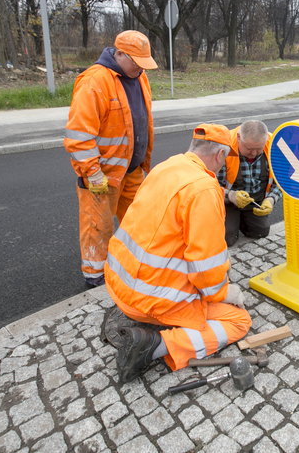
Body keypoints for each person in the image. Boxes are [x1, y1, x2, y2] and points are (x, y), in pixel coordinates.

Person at [103, 124, 252, 383]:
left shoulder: (166, 167)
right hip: (149, 299)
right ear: (219, 155)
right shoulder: (203, 188)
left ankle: (144, 323)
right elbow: (206, 266)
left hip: (120, 285)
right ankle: (152, 345)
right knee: (239, 320)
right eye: (225, 159)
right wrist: (226, 293)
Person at [64, 30, 157, 287]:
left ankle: (131, 268)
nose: (140, 69)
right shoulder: (94, 81)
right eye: (136, 63)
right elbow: (79, 136)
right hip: (102, 176)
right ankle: (96, 280)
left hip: (133, 170)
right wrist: (92, 173)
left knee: (140, 223)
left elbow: (140, 121)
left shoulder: (140, 77)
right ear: (120, 54)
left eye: (143, 64)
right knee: (99, 229)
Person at [217, 120, 282, 247]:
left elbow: (282, 181)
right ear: (239, 137)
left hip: (256, 199)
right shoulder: (223, 148)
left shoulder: (274, 146)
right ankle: (230, 219)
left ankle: (241, 220)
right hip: (229, 201)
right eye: (249, 149)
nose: (253, 153)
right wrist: (231, 196)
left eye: (259, 149)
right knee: (227, 237)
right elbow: (211, 185)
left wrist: (271, 199)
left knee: (260, 232)